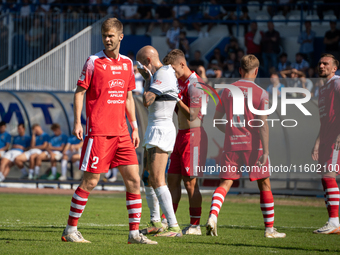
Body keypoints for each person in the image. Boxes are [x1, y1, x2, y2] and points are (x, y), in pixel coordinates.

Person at [61, 18, 156, 245]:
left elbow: (127, 97)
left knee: (134, 181)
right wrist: (77, 122)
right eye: (105, 35)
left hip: (122, 132)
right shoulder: (93, 61)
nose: (107, 39)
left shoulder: (126, 64)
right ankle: (70, 230)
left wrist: (134, 126)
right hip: (99, 132)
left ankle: (134, 234)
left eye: (111, 35)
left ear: (120, 36)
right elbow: (79, 92)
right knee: (91, 181)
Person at [205, 54, 286, 238]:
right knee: (264, 184)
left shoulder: (227, 91)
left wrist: (232, 133)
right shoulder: (261, 93)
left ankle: (213, 215)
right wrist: (265, 151)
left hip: (232, 144)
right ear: (256, 71)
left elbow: (217, 121)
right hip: (254, 146)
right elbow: (262, 125)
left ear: (240, 70)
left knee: (225, 183)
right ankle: (269, 229)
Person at [136, 45, 182, 237]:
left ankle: (173, 226)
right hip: (154, 128)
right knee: (147, 177)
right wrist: (147, 78)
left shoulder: (164, 72)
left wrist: (145, 78)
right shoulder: (156, 76)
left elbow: (147, 100)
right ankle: (156, 221)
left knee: (157, 178)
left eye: (139, 63)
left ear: (147, 61)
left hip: (162, 129)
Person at [163, 49, 208, 235]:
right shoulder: (181, 83)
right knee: (172, 179)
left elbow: (195, 114)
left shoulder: (195, 84)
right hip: (180, 135)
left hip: (194, 135)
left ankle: (195, 225)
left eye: (174, 69)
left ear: (182, 64)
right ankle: (169, 222)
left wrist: (177, 99)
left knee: (190, 183)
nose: (173, 73)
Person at [312, 53, 340, 234]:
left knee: (329, 176)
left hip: (335, 139)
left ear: (334, 68)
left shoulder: (337, 83)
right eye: (320, 63)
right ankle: (333, 222)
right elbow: (325, 121)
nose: (321, 66)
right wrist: (317, 143)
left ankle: (334, 221)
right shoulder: (323, 89)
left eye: (326, 63)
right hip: (326, 139)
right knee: (326, 177)